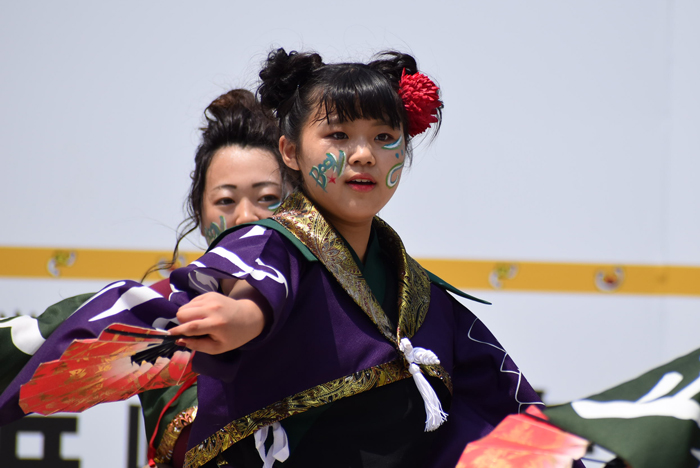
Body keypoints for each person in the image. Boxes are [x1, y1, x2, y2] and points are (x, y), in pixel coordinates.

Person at [0, 48, 544, 468]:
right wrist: (243, 314)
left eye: (384, 136)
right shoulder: (273, 246)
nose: (363, 154)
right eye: (338, 134)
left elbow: (501, 403)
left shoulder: (420, 295)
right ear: (291, 153)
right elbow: (262, 277)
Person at [0, 88, 289, 468]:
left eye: (268, 198)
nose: (246, 217)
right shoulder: (155, 313)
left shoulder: (331, 313)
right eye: (225, 201)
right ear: (200, 216)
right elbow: (32, 343)